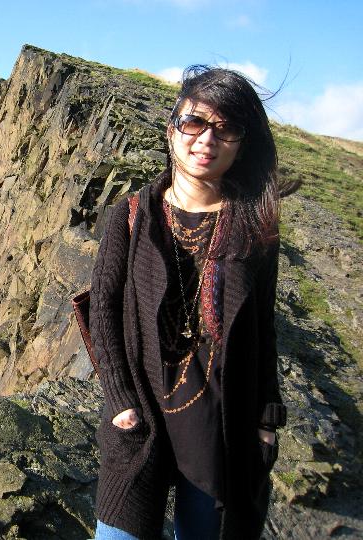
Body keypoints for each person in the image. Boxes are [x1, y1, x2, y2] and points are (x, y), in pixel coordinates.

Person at [89, 65, 292, 540]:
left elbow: (262, 326)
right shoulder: (131, 214)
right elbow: (103, 308)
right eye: (195, 122)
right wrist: (119, 399)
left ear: (241, 144)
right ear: (171, 129)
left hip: (218, 420)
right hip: (143, 412)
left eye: (226, 128)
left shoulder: (256, 227)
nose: (207, 139)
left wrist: (266, 417)